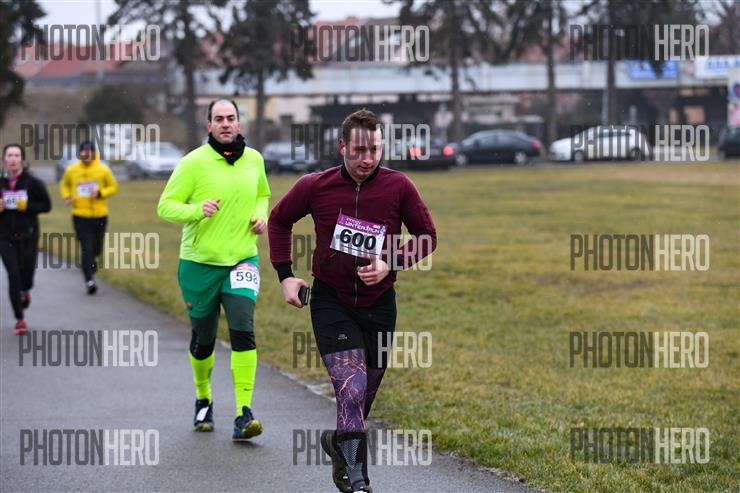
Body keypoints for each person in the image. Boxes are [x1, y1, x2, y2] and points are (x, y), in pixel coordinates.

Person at [268, 108, 437, 493]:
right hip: (332, 301)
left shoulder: (399, 186)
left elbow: (427, 236)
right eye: (359, 151)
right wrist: (285, 275)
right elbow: (279, 220)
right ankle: (359, 481)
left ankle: (338, 443)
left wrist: (390, 263)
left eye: (374, 150)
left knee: (363, 395)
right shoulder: (316, 186)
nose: (367, 159)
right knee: (351, 388)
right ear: (343, 146)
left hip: (380, 305)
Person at [157, 99, 271, 440]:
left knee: (243, 330)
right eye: (218, 119)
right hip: (199, 264)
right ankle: (203, 398)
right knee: (203, 338)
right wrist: (196, 210)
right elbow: (165, 206)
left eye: (231, 118)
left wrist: (261, 216)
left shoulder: (255, 160)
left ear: (239, 123)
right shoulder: (193, 162)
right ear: (209, 125)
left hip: (242, 259)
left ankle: (244, 412)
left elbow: (262, 194)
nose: (225, 124)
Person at [0, 144, 51, 334]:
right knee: (13, 275)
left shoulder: (33, 183)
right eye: (9, 155)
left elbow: (46, 205)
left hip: (28, 236)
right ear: (4, 159)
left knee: (26, 276)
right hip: (5, 237)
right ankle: (19, 319)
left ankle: (25, 290)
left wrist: (27, 206)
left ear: (21, 159)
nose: (13, 159)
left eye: (16, 155)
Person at [59, 140, 118, 294]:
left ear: (94, 153)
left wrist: (100, 193)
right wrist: (67, 196)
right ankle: (89, 281)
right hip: (80, 215)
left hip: (100, 215)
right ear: (79, 153)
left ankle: (92, 262)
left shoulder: (103, 169)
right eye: (83, 151)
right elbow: (64, 184)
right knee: (87, 247)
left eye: (89, 151)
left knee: (97, 248)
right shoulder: (72, 170)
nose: (86, 154)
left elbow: (113, 186)